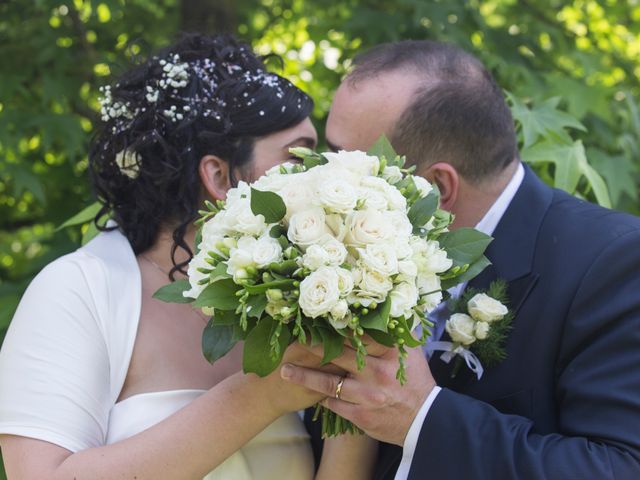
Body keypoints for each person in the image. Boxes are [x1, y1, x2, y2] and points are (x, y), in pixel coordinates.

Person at [0, 33, 376, 480]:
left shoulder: (290, 302)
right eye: (297, 158)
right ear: (218, 175)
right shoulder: (78, 290)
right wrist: (264, 394)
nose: (319, 178)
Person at [281, 40, 640, 479]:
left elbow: (621, 468)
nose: (324, 180)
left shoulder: (613, 263)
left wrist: (423, 420)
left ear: (436, 188)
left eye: (346, 165)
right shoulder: (339, 256)